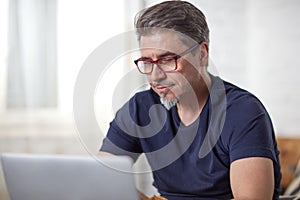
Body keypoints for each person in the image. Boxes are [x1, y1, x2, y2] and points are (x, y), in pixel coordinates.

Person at [99, 1, 281, 199]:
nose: (155, 76)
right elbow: (100, 177)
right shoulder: (140, 108)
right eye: (147, 62)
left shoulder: (242, 112)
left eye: (167, 60)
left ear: (201, 54)